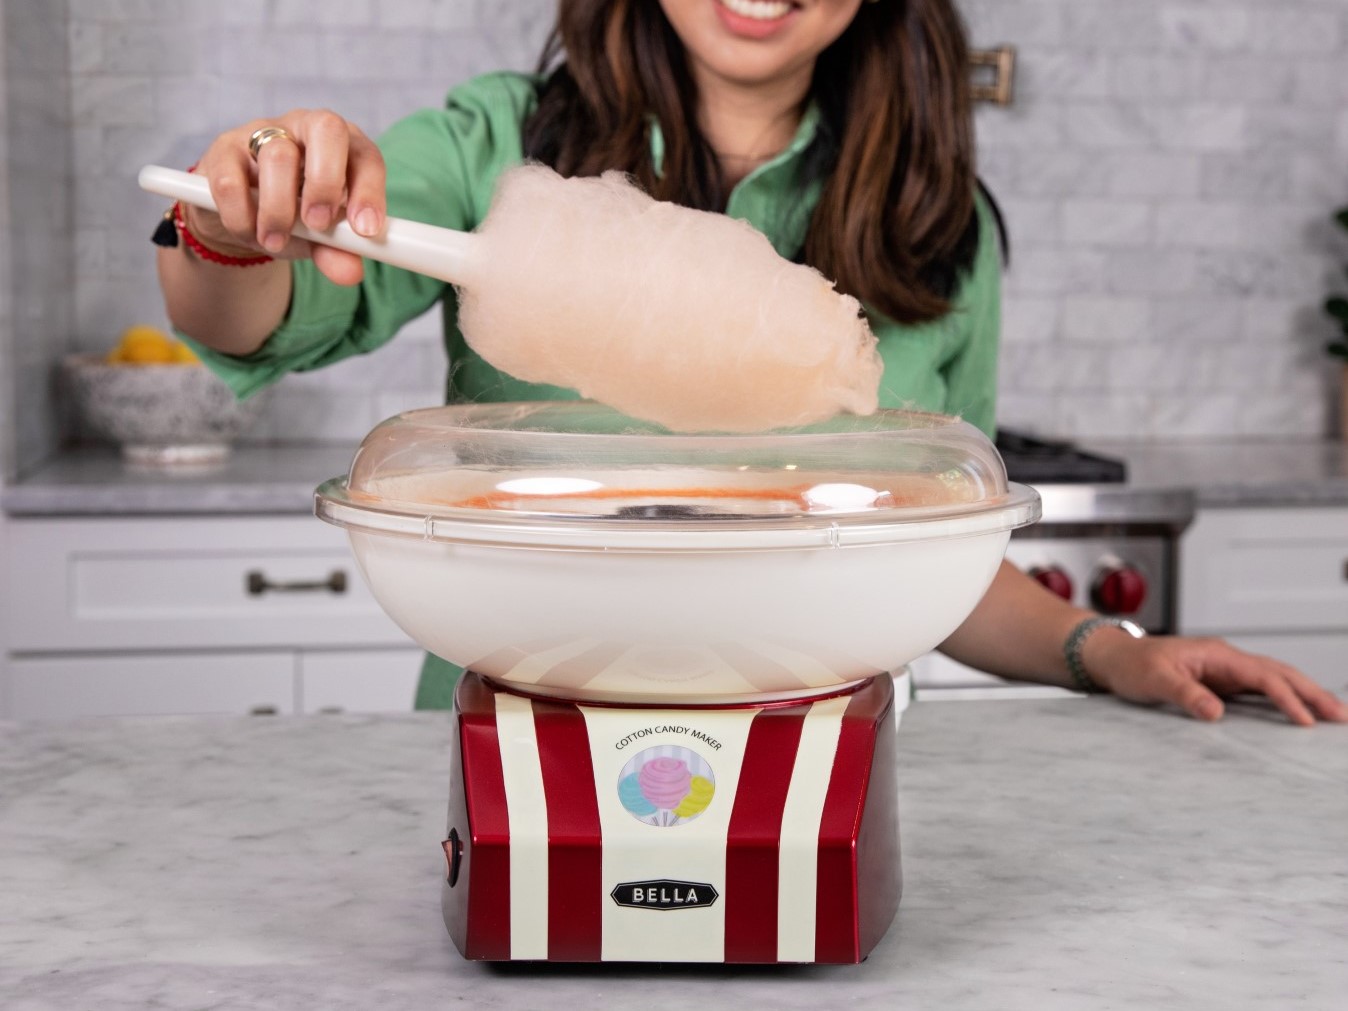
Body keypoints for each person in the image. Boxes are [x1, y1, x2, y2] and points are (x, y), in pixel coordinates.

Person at [155, 0, 1344, 726]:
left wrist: (1113, 653)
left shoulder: (939, 223)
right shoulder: (500, 148)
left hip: (821, 733)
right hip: (532, 715)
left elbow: (936, 551)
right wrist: (231, 215)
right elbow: (252, 313)